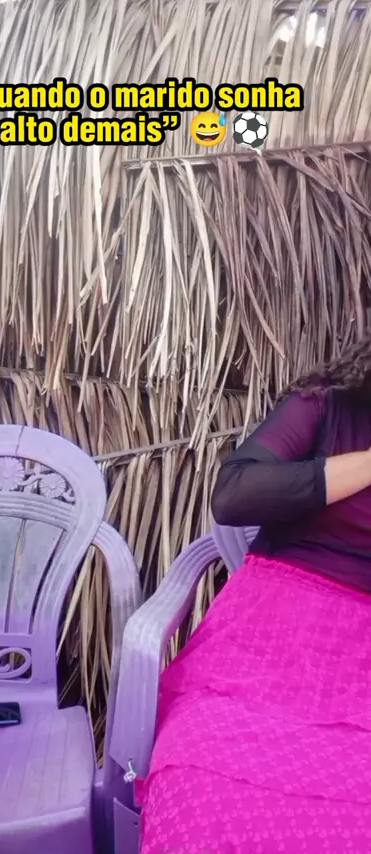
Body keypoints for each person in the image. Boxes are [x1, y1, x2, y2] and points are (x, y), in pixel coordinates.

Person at [138, 335, 371, 854]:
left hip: (361, 655)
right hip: (269, 629)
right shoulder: (325, 405)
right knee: (207, 792)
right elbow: (234, 495)